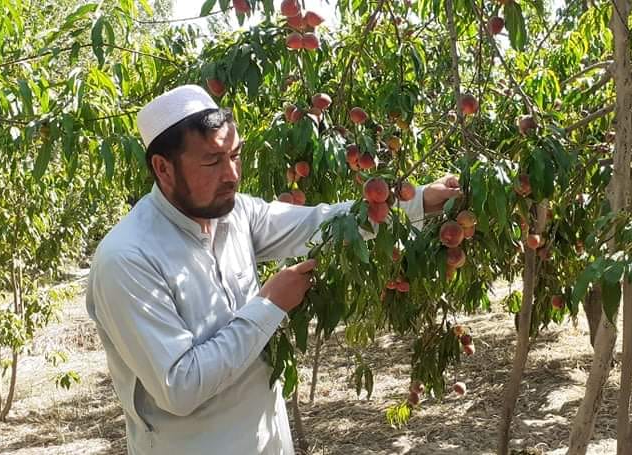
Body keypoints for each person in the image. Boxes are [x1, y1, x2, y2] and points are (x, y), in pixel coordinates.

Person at [85, 85, 461, 454]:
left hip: (268, 439)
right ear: (163, 168)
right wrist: (269, 305)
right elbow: (180, 386)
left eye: (235, 156)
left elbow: (321, 224)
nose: (232, 174)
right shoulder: (129, 259)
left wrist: (417, 204)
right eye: (213, 162)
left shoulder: (234, 214)